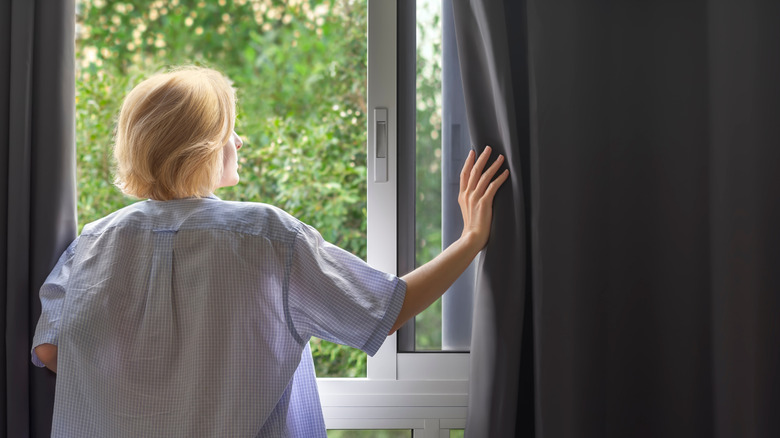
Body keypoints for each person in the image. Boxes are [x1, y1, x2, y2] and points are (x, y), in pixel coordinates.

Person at [31, 66, 509, 437]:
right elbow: (387, 307)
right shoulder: (266, 236)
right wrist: (470, 240)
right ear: (203, 146)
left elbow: (52, 350)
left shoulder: (91, 244)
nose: (238, 141)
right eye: (229, 129)